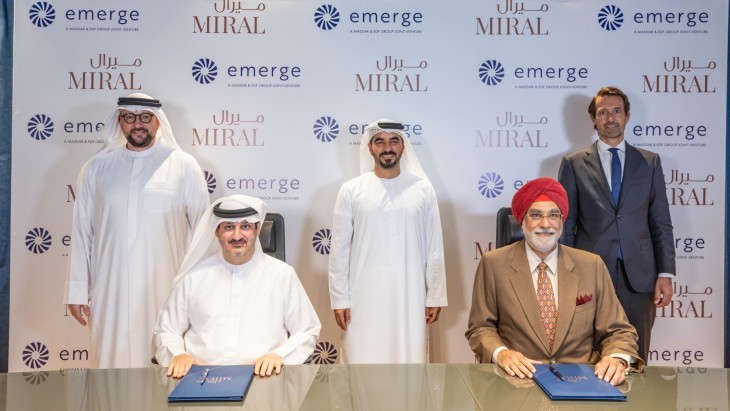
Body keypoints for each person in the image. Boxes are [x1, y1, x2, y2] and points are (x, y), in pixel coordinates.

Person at [64, 93, 210, 369]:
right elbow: (82, 232)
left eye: (145, 117)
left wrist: (202, 289)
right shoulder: (96, 168)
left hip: (167, 286)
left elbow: (203, 232)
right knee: (110, 366)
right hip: (110, 288)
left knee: (167, 364)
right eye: (129, 117)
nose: (137, 124)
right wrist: (77, 291)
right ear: (119, 121)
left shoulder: (183, 165)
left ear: (158, 122)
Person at [466, 177, 643, 386]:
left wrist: (616, 358)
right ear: (522, 220)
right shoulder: (493, 264)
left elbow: (619, 330)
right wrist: (502, 353)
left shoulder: (591, 265)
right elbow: (480, 328)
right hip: (519, 380)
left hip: (582, 381)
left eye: (553, 215)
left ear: (562, 220)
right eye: (536, 215)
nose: (545, 224)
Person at [558, 86, 675, 361]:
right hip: (589, 275)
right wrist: (565, 275)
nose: (610, 118)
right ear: (593, 119)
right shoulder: (573, 164)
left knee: (636, 356)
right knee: (588, 357)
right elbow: (567, 225)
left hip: (640, 278)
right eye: (603, 112)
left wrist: (665, 273)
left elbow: (661, 222)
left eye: (617, 111)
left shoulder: (649, 162)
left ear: (627, 116)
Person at [154, 195, 321, 378]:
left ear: (258, 229)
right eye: (228, 227)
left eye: (245, 226)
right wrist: (179, 355)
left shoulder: (282, 275)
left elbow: (307, 330)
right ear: (217, 231)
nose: (237, 236)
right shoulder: (193, 277)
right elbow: (166, 330)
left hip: (263, 379)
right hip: (201, 379)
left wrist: (278, 356)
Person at [328, 118, 448, 363]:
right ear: (370, 148)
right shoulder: (351, 190)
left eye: (394, 141)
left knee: (409, 361)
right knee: (361, 362)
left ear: (403, 147)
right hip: (362, 296)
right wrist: (339, 299)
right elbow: (339, 249)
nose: (387, 148)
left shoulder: (423, 189)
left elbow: (433, 248)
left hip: (410, 294)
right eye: (379, 142)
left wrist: (434, 296)